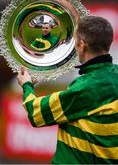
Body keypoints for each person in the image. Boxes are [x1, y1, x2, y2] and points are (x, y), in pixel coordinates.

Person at [17, 16, 118, 164]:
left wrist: (27, 85)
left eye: (75, 41)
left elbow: (35, 113)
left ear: (82, 45)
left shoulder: (86, 87)